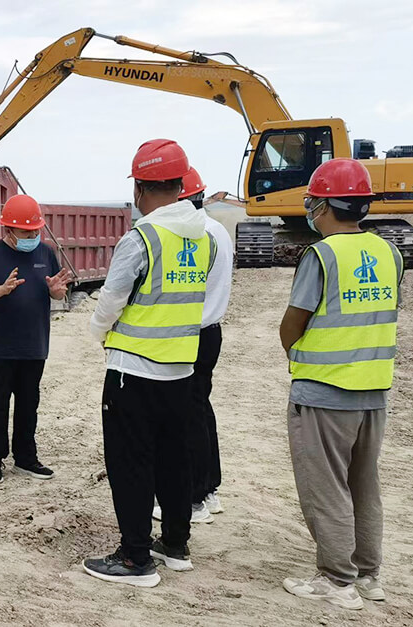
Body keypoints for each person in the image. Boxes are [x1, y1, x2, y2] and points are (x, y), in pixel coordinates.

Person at [83, 140, 216, 587]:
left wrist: (98, 333)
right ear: (180, 185)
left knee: (132, 462)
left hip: (134, 371)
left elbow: (112, 298)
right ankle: (175, 544)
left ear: (140, 188)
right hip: (181, 368)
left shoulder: (140, 238)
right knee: (175, 459)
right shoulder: (203, 237)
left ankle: (135, 558)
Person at [279, 158, 403, 610]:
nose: (310, 208)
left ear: (326, 204)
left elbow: (294, 321)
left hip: (325, 391)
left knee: (326, 486)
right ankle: (369, 575)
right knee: (363, 484)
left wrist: (297, 355)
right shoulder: (389, 253)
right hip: (373, 389)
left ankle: (336, 579)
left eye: (314, 200)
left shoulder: (323, 254)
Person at [0, 194, 70, 484]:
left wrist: (56, 292)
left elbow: (56, 289)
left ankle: (26, 458)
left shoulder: (45, 253)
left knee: (29, 405)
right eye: (27, 232)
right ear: (8, 230)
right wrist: (1, 289)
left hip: (34, 345)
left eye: (36, 230)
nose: (33, 236)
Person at [183, 167, 233, 523]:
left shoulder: (197, 234)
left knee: (188, 416)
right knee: (200, 409)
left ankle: (196, 497)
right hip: (210, 331)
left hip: (192, 334)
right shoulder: (217, 229)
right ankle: (209, 487)